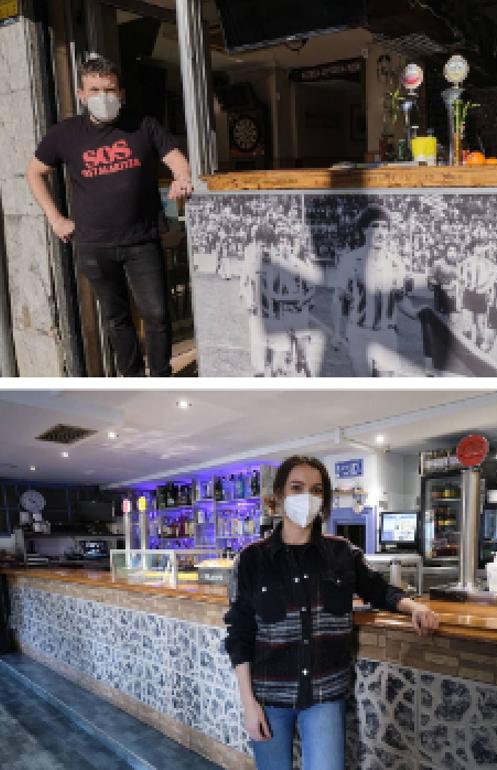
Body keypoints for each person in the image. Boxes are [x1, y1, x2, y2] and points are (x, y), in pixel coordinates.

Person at [223, 455, 439, 770]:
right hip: (268, 696)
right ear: (280, 495)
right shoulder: (251, 561)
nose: (306, 497)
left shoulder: (343, 554)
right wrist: (248, 704)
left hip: (325, 695)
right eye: (296, 488)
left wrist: (415, 606)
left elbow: (379, 591)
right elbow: (239, 634)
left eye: (316, 490)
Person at [25, 54, 193, 377]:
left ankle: (160, 379)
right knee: (117, 319)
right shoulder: (65, 134)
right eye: (95, 90)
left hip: (141, 241)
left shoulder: (143, 124)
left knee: (157, 314)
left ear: (122, 93)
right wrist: (55, 219)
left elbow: (175, 158)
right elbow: (34, 173)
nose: (104, 97)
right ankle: (131, 380)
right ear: (81, 95)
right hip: (94, 246)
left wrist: (181, 178)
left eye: (111, 89)